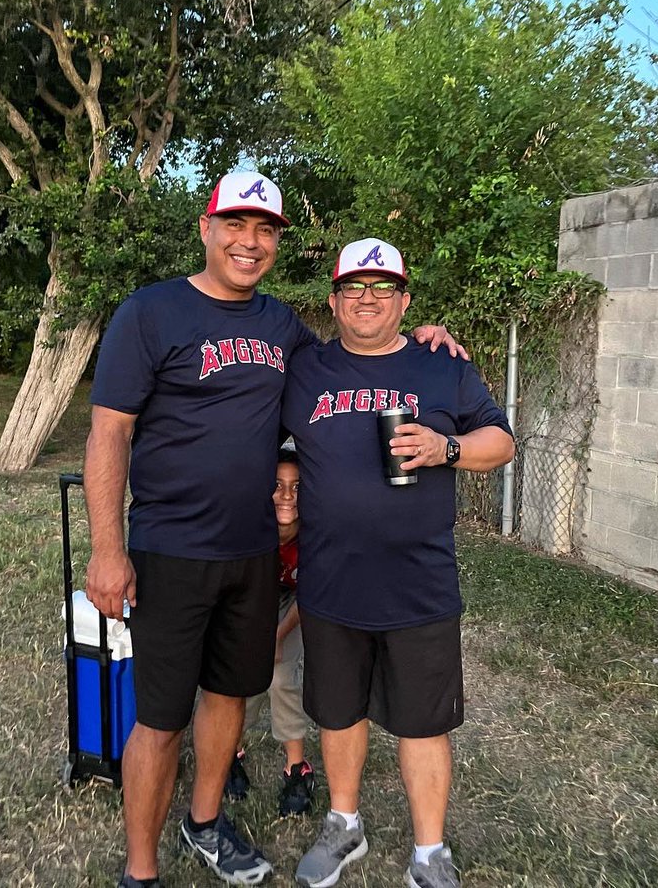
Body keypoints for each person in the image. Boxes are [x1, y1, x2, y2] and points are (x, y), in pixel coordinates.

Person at [84, 173, 465, 888]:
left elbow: (352, 351)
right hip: (170, 548)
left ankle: (203, 823)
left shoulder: (282, 327)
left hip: (256, 549)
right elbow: (109, 433)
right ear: (206, 228)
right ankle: (140, 871)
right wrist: (108, 550)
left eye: (264, 230)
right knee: (160, 717)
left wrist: (417, 338)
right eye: (235, 224)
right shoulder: (150, 312)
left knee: (232, 695)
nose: (248, 241)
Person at [281, 238, 515, 888]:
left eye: (383, 288)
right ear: (332, 301)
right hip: (331, 579)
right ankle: (344, 824)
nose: (367, 299)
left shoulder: (443, 366)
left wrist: (447, 446)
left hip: (420, 582)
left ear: (406, 301)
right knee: (338, 710)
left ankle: (429, 853)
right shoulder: (306, 368)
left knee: (423, 719)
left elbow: (501, 441)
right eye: (354, 288)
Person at [226, 445, 316, 817]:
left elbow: (310, 595)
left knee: (283, 677)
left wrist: (278, 636)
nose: (287, 496)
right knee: (242, 673)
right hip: (254, 599)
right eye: (278, 485)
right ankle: (228, 751)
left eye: (297, 487)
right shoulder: (252, 525)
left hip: (296, 605)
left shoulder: (316, 530)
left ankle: (297, 768)